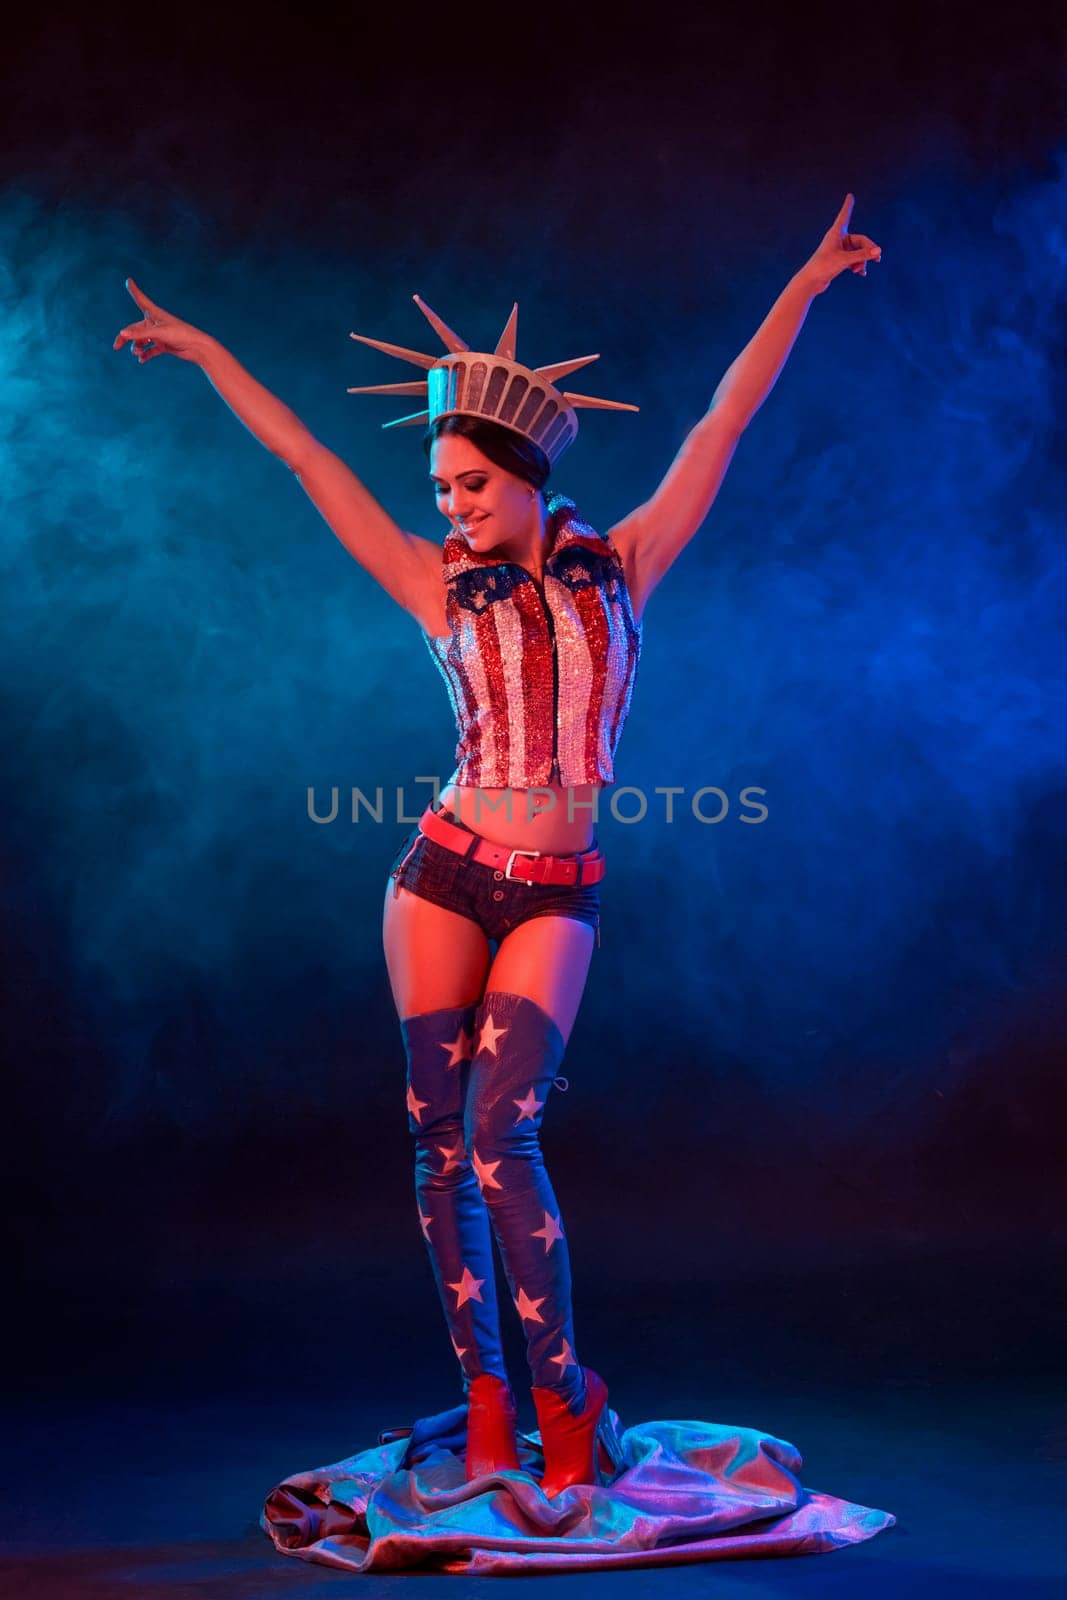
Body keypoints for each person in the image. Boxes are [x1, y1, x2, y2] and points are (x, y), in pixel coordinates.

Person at [113, 195, 881, 1499]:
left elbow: (721, 424)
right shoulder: (433, 580)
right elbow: (310, 464)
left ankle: (566, 1406)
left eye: (470, 484)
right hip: (441, 876)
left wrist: (800, 289)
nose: (454, 507)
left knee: (501, 1137)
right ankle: (485, 1408)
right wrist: (208, 352)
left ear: (527, 474)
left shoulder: (626, 562)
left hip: (555, 894)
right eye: (441, 490)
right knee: (437, 1144)